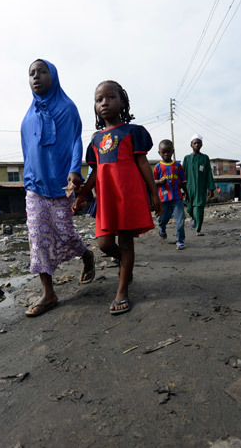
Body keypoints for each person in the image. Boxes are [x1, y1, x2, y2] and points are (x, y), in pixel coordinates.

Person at [74, 80, 162, 315]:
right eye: (99, 99)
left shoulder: (133, 132)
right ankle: (126, 265)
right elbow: (94, 172)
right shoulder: (94, 140)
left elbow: (143, 163)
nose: (104, 103)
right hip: (106, 199)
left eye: (111, 97)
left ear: (122, 101)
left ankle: (122, 290)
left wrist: (154, 193)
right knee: (104, 243)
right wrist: (82, 194)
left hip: (128, 195)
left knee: (125, 243)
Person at [21, 59, 95, 318]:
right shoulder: (28, 118)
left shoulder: (67, 108)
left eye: (42, 71)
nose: (36, 77)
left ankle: (86, 255)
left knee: (65, 231)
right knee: (37, 238)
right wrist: (28, 179)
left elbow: (76, 139)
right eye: (31, 73)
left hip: (62, 184)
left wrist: (76, 171)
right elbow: (28, 153)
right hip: (35, 186)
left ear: (53, 75)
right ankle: (48, 293)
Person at [153, 139, 188, 250]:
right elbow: (152, 181)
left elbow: (183, 182)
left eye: (168, 152)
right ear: (159, 153)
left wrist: (187, 193)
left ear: (172, 151)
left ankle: (180, 241)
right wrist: (158, 182)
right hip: (163, 199)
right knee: (164, 218)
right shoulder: (158, 167)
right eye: (164, 152)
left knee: (180, 219)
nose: (166, 154)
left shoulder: (177, 166)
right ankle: (162, 228)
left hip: (177, 197)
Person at [182, 134, 215, 236]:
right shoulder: (187, 158)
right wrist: (182, 189)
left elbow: (208, 173)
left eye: (198, 143)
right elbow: (182, 174)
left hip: (201, 188)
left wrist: (211, 188)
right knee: (189, 208)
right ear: (191, 145)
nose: (196, 144)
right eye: (194, 143)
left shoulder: (205, 158)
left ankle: (198, 229)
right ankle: (193, 219)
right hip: (189, 188)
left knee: (199, 208)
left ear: (201, 144)